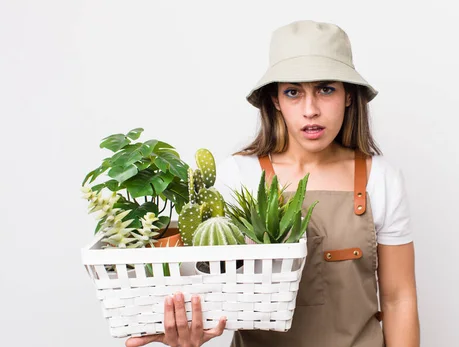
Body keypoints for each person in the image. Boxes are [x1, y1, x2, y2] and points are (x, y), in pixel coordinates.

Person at [126, 19, 420, 347]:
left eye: (326, 89)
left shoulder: (381, 178)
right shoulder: (239, 175)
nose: (311, 110)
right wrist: (190, 327)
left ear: (349, 95)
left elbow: (398, 299)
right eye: (293, 92)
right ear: (276, 100)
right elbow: (210, 292)